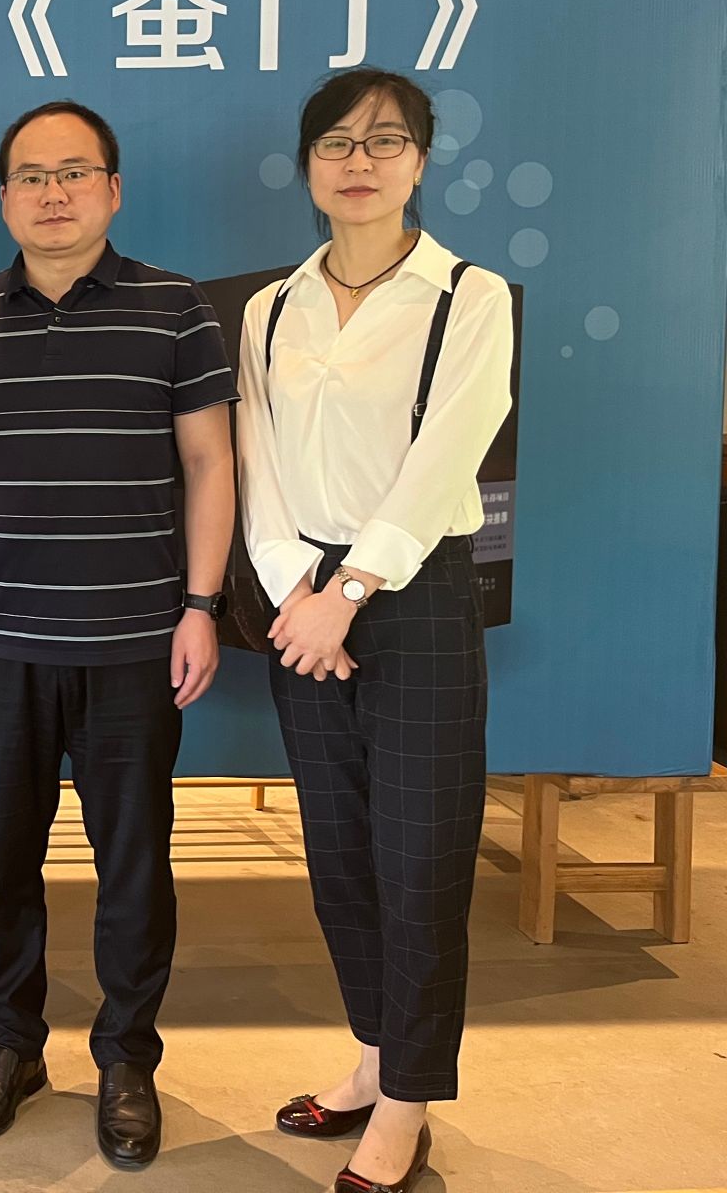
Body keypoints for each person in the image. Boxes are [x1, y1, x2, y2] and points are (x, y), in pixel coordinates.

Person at [0, 100, 236, 1166]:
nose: (52, 194)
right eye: (30, 177)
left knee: (133, 862)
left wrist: (199, 607)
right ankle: (9, 1045)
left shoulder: (175, 308)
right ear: (3, 197)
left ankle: (126, 1058)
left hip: (135, 640)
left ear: (112, 189)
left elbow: (208, 461)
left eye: (73, 173)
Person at [238, 68, 512, 1193]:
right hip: (298, 602)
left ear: (420, 161)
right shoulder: (270, 307)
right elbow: (254, 459)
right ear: (307, 165)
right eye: (337, 143)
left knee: (420, 859)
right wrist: (294, 590)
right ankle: (369, 1059)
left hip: (415, 597)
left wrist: (347, 592)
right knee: (340, 854)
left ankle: (406, 1105)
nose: (360, 162)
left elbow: (449, 454)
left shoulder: (466, 297)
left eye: (385, 141)